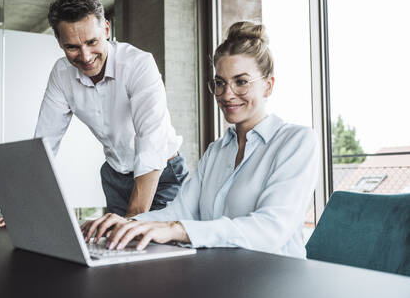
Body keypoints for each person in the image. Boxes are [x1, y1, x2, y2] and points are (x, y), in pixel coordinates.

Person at [81, 21, 319, 259]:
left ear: (268, 86)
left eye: (241, 82)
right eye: (220, 83)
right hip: (222, 275)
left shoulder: (297, 141)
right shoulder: (217, 150)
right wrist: (125, 223)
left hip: (277, 279)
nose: (227, 94)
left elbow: (270, 230)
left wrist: (178, 230)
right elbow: (180, 211)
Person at [0, 0, 187, 228]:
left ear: (105, 29)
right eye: (71, 47)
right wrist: (22, 208)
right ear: (59, 42)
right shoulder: (61, 74)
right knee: (117, 258)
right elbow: (44, 144)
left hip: (161, 176)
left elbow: (150, 143)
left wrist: (132, 220)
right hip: (114, 176)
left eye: (92, 42)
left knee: (162, 256)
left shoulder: (138, 65)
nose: (85, 56)